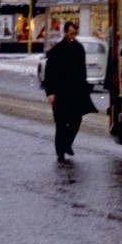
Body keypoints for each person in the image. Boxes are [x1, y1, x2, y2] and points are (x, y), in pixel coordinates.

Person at [43, 21, 97, 162]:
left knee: (76, 120)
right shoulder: (56, 51)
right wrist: (51, 93)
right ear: (65, 33)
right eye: (71, 33)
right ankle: (60, 150)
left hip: (75, 92)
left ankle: (67, 144)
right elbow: (49, 74)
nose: (73, 36)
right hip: (61, 93)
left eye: (75, 33)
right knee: (61, 123)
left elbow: (82, 70)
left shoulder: (79, 48)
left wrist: (85, 88)